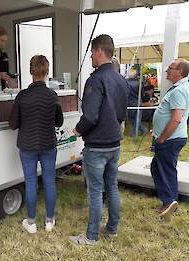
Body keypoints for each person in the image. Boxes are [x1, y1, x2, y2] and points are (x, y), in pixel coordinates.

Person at [70, 34, 128, 245]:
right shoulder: (120, 79)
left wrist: (78, 129)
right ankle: (112, 229)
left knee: (95, 192)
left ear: (99, 51)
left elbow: (91, 116)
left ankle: (91, 237)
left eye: (92, 52)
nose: (91, 57)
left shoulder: (95, 79)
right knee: (112, 186)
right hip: (115, 143)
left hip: (97, 147)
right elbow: (123, 112)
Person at [9, 55, 63, 234]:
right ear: (47, 72)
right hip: (48, 144)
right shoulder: (52, 95)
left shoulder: (22, 96)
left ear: (31, 71)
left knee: (31, 182)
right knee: (49, 181)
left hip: (27, 145)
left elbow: (13, 124)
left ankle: (31, 223)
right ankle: (49, 221)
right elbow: (59, 122)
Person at [150, 59, 189, 220]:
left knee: (164, 170)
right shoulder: (181, 88)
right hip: (171, 137)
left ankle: (168, 203)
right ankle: (170, 200)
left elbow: (176, 119)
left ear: (179, 72)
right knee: (160, 168)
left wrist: (162, 138)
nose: (167, 70)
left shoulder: (179, 90)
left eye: (170, 68)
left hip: (169, 139)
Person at [126, 69, 148, 136]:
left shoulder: (125, 82)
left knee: (130, 119)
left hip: (128, 103)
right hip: (138, 103)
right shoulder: (139, 83)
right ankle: (140, 130)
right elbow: (142, 94)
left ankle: (137, 132)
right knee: (137, 119)